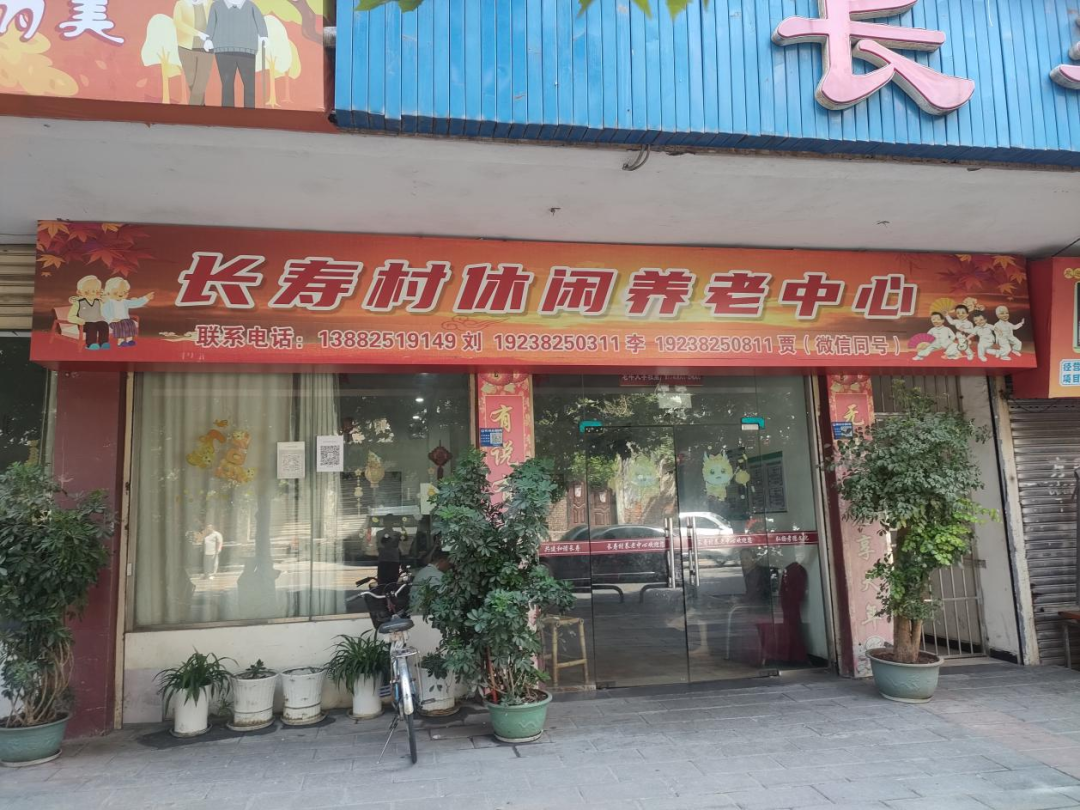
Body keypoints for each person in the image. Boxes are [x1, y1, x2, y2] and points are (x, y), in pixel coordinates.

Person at [203, 0, 268, 109]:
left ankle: (250, 112)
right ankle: (227, 113)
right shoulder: (216, 6)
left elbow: (260, 21)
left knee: (249, 84)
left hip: (247, 50)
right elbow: (211, 23)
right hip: (223, 50)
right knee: (226, 84)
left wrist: (264, 36)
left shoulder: (250, 6)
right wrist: (208, 39)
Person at [173, 0, 214, 105]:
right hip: (185, 48)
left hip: (206, 48)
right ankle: (201, 108)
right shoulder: (181, 4)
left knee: (200, 82)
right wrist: (197, 33)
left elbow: (217, 21)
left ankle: (193, 110)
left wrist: (212, 39)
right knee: (192, 81)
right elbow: (178, 22)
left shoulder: (210, 3)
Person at [102, 277, 154, 348]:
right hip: (114, 321)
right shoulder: (108, 303)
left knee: (131, 323)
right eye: (116, 292)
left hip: (125, 320)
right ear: (108, 293)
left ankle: (129, 340)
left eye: (124, 292)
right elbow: (105, 312)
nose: (120, 294)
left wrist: (146, 298)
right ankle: (121, 341)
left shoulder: (125, 302)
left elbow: (136, 303)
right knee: (120, 325)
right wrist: (111, 319)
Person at [67, 275, 110, 351]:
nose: (92, 294)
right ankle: (91, 344)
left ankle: (103, 343)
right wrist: (78, 320)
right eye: (88, 292)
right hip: (84, 323)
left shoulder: (98, 301)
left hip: (97, 321)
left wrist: (105, 300)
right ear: (80, 292)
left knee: (104, 324)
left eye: (96, 291)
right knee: (91, 326)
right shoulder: (78, 302)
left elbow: (104, 311)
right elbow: (70, 316)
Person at [410, 548, 450, 612]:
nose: (449, 567)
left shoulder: (423, 571)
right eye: (448, 563)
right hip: (424, 611)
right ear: (442, 561)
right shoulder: (437, 575)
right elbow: (444, 595)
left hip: (415, 608)